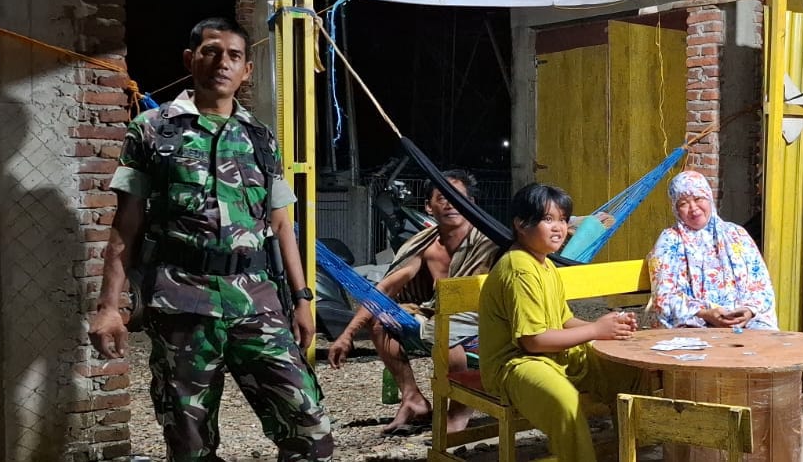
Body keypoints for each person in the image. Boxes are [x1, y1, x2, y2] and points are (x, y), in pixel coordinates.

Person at [87, 17, 332, 462]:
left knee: (309, 428)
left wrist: (301, 299)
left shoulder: (260, 138)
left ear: (247, 70)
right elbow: (126, 225)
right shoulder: (152, 130)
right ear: (190, 59)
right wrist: (108, 307)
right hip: (182, 303)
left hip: (257, 302)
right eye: (212, 52)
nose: (223, 63)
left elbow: (281, 225)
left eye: (234, 56)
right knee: (190, 446)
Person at [478, 183, 644, 462]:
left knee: (630, 373)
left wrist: (609, 328)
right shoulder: (519, 267)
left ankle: (629, 452)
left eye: (563, 220)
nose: (559, 228)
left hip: (552, 355)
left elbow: (564, 320)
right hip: (515, 364)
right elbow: (533, 341)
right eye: (548, 219)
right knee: (565, 401)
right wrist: (595, 330)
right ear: (521, 224)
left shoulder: (545, 264)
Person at [326, 170, 499, 435]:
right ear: (429, 207)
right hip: (438, 315)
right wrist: (348, 334)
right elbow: (385, 289)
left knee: (447, 334)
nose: (451, 204)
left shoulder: (491, 242)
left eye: (458, 197)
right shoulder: (424, 245)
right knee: (381, 322)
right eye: (442, 198)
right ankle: (412, 398)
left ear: (472, 204)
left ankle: (459, 410)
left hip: (484, 317)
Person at [647, 170, 778, 329]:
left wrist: (749, 311)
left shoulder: (737, 235)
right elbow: (663, 297)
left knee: (766, 340)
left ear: (709, 197)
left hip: (743, 323)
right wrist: (704, 313)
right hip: (695, 323)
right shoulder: (669, 241)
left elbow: (761, 286)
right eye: (683, 203)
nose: (693, 208)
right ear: (675, 209)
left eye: (698, 198)